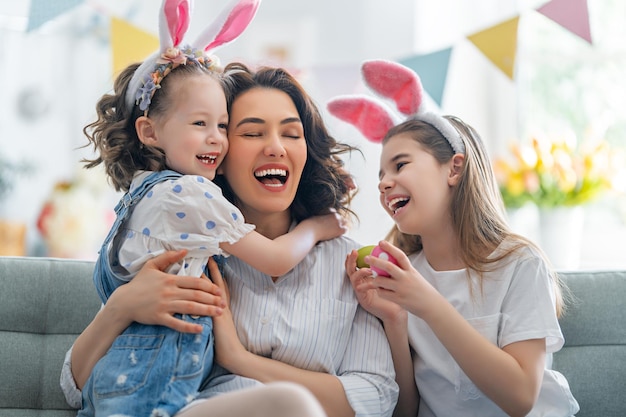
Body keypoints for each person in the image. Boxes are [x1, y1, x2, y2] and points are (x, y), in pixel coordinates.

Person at [61, 60, 398, 417]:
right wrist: (121, 305)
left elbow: (376, 397)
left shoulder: (346, 263)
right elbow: (74, 388)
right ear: (219, 156)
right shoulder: (182, 248)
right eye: (252, 133)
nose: (275, 148)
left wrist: (239, 359)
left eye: (291, 133)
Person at [333, 60, 579, 416]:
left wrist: (428, 304)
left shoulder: (519, 264)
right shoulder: (405, 276)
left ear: (455, 168)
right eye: (381, 173)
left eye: (400, 165)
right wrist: (395, 321)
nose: (384, 183)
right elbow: (405, 411)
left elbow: (521, 398)